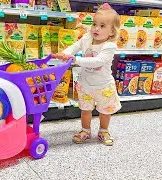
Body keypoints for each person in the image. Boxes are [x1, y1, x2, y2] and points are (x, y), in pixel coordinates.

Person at [53, 3, 121, 146]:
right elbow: (75, 46)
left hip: (103, 86)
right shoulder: (87, 38)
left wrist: (76, 59)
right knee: (85, 110)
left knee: (105, 111)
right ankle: (85, 130)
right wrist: (64, 54)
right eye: (94, 24)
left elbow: (98, 61)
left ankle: (103, 130)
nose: (96, 28)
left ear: (112, 32)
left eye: (102, 26)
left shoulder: (109, 46)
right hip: (85, 84)